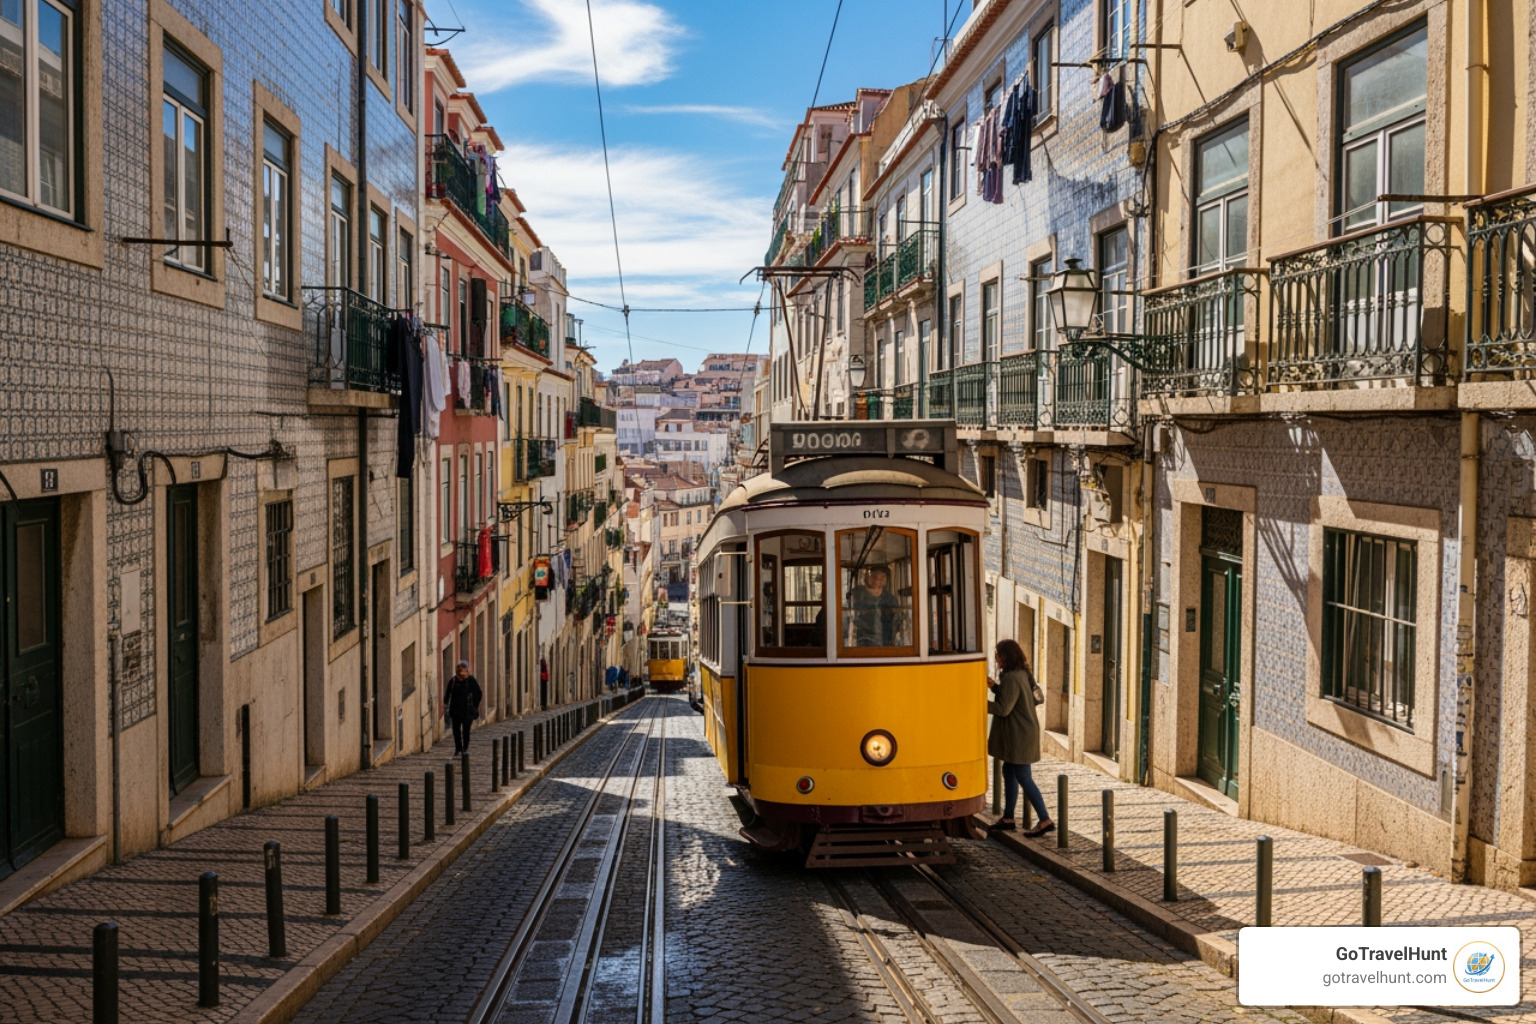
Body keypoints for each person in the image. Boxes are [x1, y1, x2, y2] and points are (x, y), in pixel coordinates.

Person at [986, 638, 1053, 836]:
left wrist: (978, 703)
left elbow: (1004, 708)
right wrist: (994, 687)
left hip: (1019, 735)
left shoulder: (1011, 678)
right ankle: (1008, 818)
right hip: (1023, 732)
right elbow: (1014, 697)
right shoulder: (1021, 673)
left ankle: (1045, 820)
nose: (996, 658)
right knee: (1009, 770)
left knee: (1023, 776)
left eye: (998, 654)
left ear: (1006, 656)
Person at [848, 565, 900, 647]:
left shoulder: (890, 598)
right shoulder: (857, 593)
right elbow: (849, 616)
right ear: (869, 577)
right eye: (875, 576)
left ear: (885, 580)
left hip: (885, 642)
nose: (878, 580)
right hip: (861, 641)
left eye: (882, 577)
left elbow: (896, 620)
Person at [443, 660, 483, 756]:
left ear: (466, 671)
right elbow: (447, 694)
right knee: (456, 730)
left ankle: (465, 748)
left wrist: (474, 705)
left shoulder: (471, 681)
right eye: (459, 672)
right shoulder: (453, 681)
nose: (461, 675)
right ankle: (458, 748)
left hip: (467, 711)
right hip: (455, 711)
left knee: (466, 731)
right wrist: (446, 703)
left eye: (463, 672)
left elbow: (479, 693)